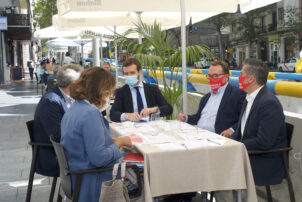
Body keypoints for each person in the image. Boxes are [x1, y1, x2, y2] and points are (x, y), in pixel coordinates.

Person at [61, 67, 132, 202]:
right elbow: (100, 159)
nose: (108, 96)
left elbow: (83, 141)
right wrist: (119, 144)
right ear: (101, 90)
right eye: (108, 91)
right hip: (94, 180)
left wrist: (109, 142)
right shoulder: (90, 114)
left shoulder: (74, 109)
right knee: (142, 173)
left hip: (78, 176)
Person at [231, 58, 287, 186]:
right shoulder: (249, 98)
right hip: (249, 154)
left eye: (241, 74)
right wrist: (227, 143)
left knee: (218, 168)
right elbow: (240, 132)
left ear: (250, 79)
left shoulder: (268, 103)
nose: (239, 77)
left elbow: (264, 142)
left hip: (263, 161)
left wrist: (237, 146)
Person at [33, 64, 82, 177]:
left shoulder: (64, 96)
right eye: (82, 82)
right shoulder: (51, 101)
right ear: (73, 84)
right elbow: (57, 136)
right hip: (52, 156)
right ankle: (83, 193)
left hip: (62, 150)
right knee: (101, 162)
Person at [178, 60, 245, 137]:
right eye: (210, 76)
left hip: (219, 139)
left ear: (226, 77)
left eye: (216, 75)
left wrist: (232, 130)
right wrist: (186, 118)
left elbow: (245, 118)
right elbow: (198, 118)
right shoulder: (206, 98)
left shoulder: (237, 94)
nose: (212, 79)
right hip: (197, 135)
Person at [110, 58, 173, 122]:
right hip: (131, 128)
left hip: (151, 126)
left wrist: (152, 110)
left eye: (132, 73)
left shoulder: (152, 89)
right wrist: (127, 115)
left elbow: (168, 108)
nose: (129, 76)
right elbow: (113, 114)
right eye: (126, 74)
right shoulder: (121, 92)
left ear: (140, 71)